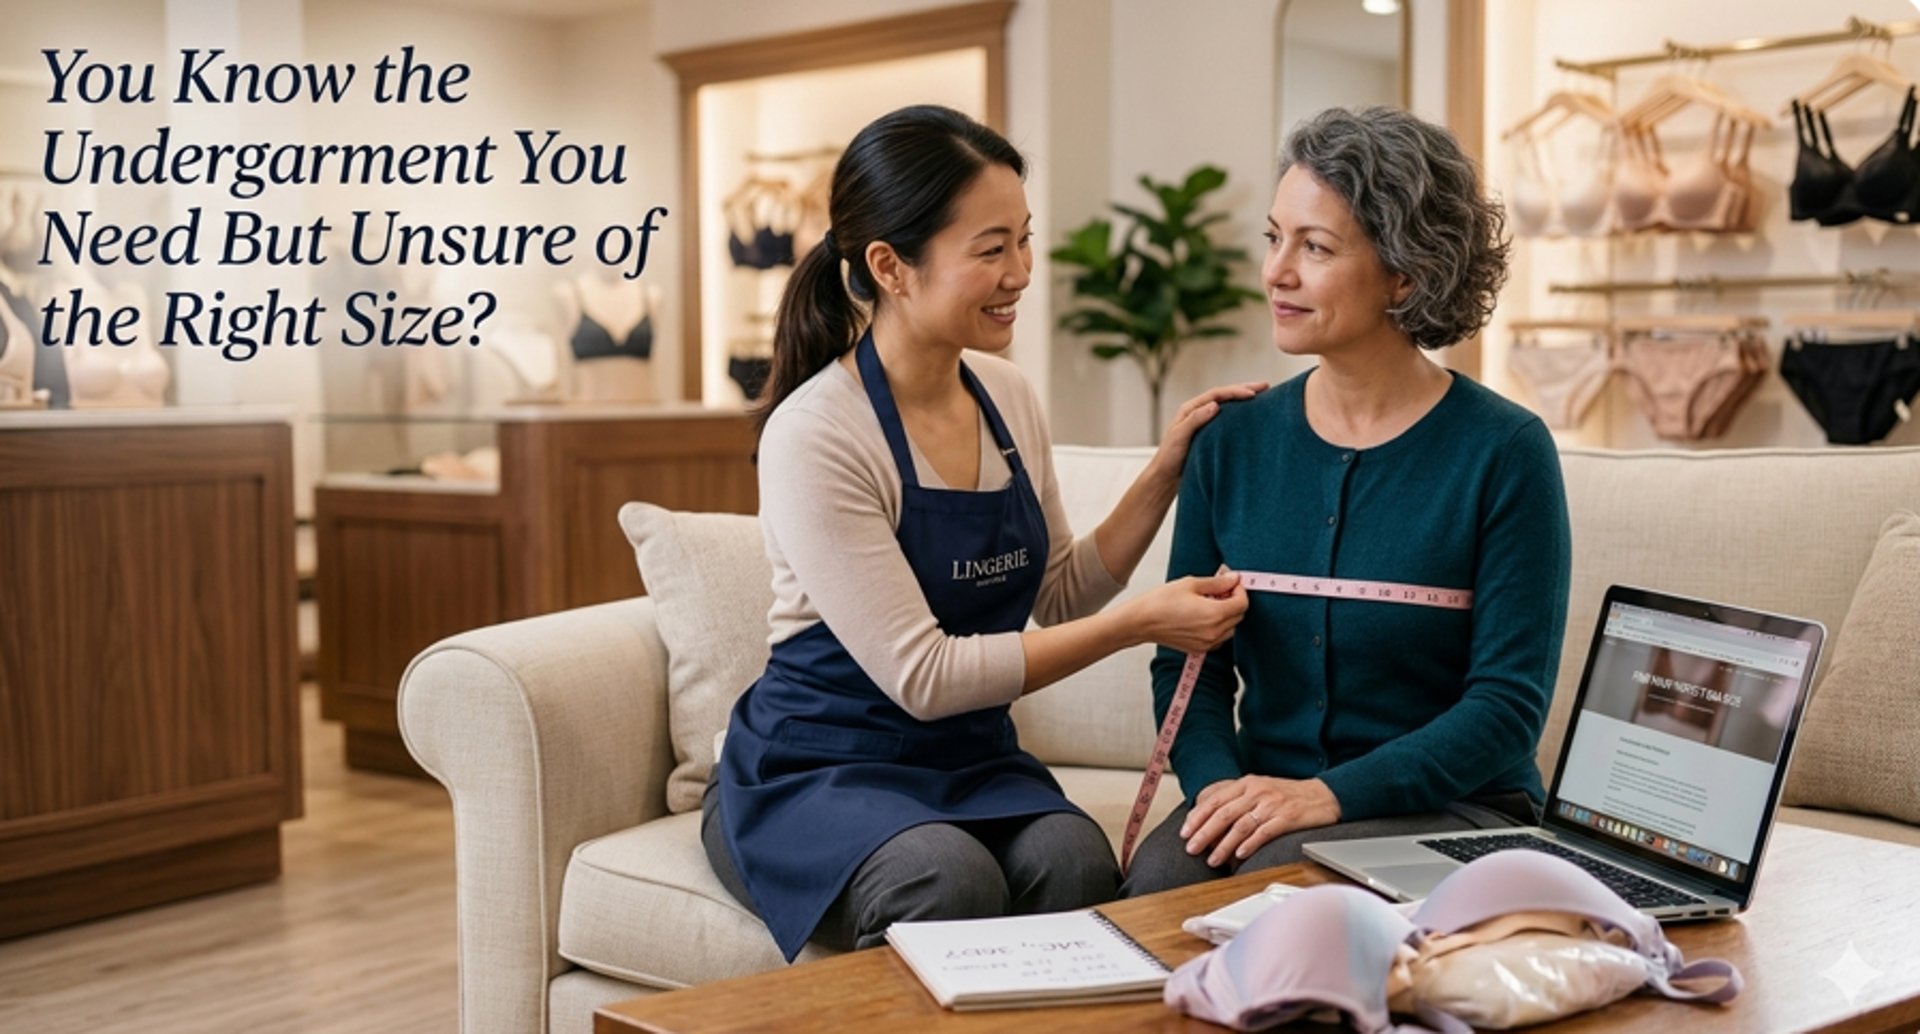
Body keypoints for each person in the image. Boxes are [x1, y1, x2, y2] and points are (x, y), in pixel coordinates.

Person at [702, 104, 1261, 962]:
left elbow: (1063, 589)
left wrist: (1164, 471)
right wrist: (1139, 624)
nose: (1022, 272)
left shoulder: (1007, 396)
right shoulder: (819, 433)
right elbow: (923, 676)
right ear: (891, 266)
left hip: (967, 756)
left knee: (1075, 861)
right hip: (821, 768)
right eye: (991, 249)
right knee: (945, 878)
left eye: (1025, 240)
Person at [1120, 106, 1573, 896]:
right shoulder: (1232, 440)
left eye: (1315, 248)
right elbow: (1187, 663)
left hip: (1453, 807)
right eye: (1274, 238)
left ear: (1408, 272)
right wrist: (1216, 791)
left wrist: (1325, 796)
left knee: (1266, 887)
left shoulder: (1505, 452)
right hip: (1261, 796)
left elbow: (1507, 706)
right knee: (1154, 880)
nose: (1275, 272)